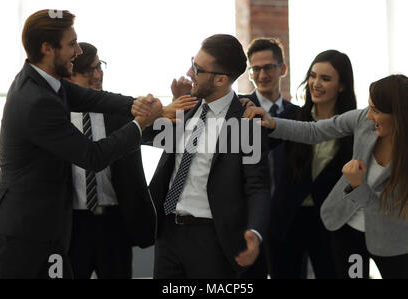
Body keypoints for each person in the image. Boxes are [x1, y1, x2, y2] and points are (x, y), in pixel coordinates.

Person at [0, 9, 161, 279]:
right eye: (71, 44)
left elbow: (93, 99)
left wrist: (137, 105)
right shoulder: (36, 100)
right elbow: (92, 156)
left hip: (46, 230)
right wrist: (141, 123)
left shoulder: (45, 82)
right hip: (21, 236)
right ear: (47, 48)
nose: (78, 51)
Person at [245, 74, 408, 279]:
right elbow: (314, 131)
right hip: (347, 230)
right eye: (369, 108)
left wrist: (357, 185)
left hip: (390, 238)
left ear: (399, 114)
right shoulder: (363, 120)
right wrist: (273, 123)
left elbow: (386, 208)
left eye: (376, 111)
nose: (369, 116)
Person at [134, 34, 271, 278]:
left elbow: (257, 185)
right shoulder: (184, 107)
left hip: (213, 240)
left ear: (220, 79)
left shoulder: (247, 123)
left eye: (197, 68)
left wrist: (255, 231)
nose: (189, 72)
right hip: (168, 234)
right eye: (192, 62)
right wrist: (153, 112)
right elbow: (143, 135)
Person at [66, 42, 156, 279]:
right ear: (70, 76)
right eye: (89, 71)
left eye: (100, 66)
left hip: (115, 221)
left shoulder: (119, 109)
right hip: (72, 224)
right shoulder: (57, 117)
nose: (97, 75)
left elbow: (158, 133)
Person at [269, 50, 356, 278]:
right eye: (313, 76)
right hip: (287, 220)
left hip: (330, 224)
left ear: (342, 86)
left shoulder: (354, 129)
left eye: (325, 79)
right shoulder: (293, 118)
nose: (315, 84)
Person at [238, 37, 299, 279]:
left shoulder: (297, 115)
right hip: (248, 219)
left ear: (282, 69)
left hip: (288, 219)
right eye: (255, 69)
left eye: (268, 67)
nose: (262, 74)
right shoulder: (239, 109)